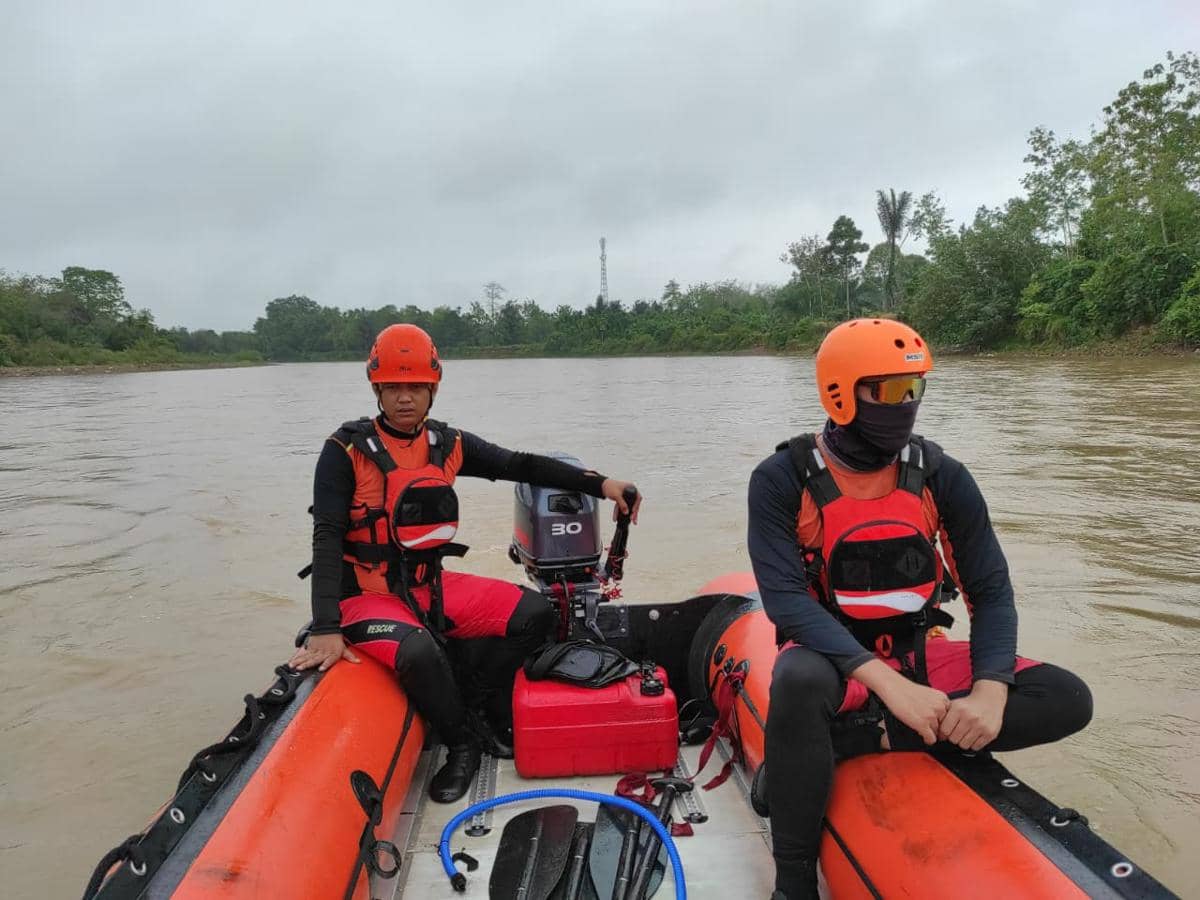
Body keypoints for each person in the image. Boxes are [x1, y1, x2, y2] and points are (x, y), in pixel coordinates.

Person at [747, 318, 1093, 899]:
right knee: (797, 678)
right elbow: (784, 601)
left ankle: (856, 740)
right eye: (885, 391)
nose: (904, 406)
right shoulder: (782, 480)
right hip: (835, 663)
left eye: (914, 390)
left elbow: (991, 591)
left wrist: (990, 689)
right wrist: (886, 685)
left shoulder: (941, 476)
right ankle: (795, 882)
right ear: (840, 391)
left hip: (919, 654)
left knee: (1068, 698)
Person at [288, 323, 641, 803]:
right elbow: (326, 535)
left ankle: (476, 707)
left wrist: (600, 484)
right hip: (366, 596)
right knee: (416, 651)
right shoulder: (344, 451)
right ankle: (461, 743)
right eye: (394, 386)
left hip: (426, 585)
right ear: (377, 389)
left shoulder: (446, 444)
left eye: (415, 386)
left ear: (432, 389)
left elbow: (520, 465)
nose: (405, 398)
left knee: (534, 614)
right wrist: (326, 626)